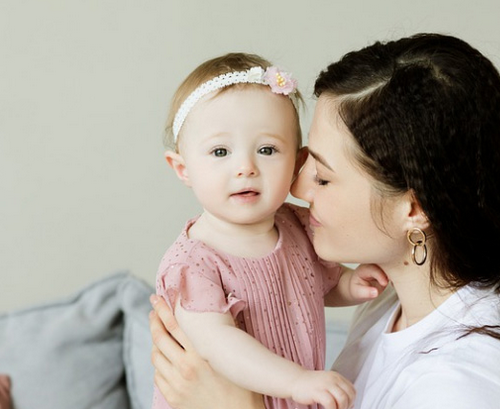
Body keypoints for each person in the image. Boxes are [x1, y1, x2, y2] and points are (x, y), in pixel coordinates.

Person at [150, 35, 500, 409]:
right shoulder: (390, 307)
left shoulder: (460, 388)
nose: (295, 189)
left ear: (413, 209)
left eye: (322, 175)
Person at [152, 52, 388, 409]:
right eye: (220, 151)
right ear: (182, 168)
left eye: (266, 149)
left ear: (297, 162)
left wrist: (348, 284)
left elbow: (314, 284)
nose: (245, 167)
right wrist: (295, 381)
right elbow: (217, 344)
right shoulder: (193, 263)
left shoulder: (296, 225)